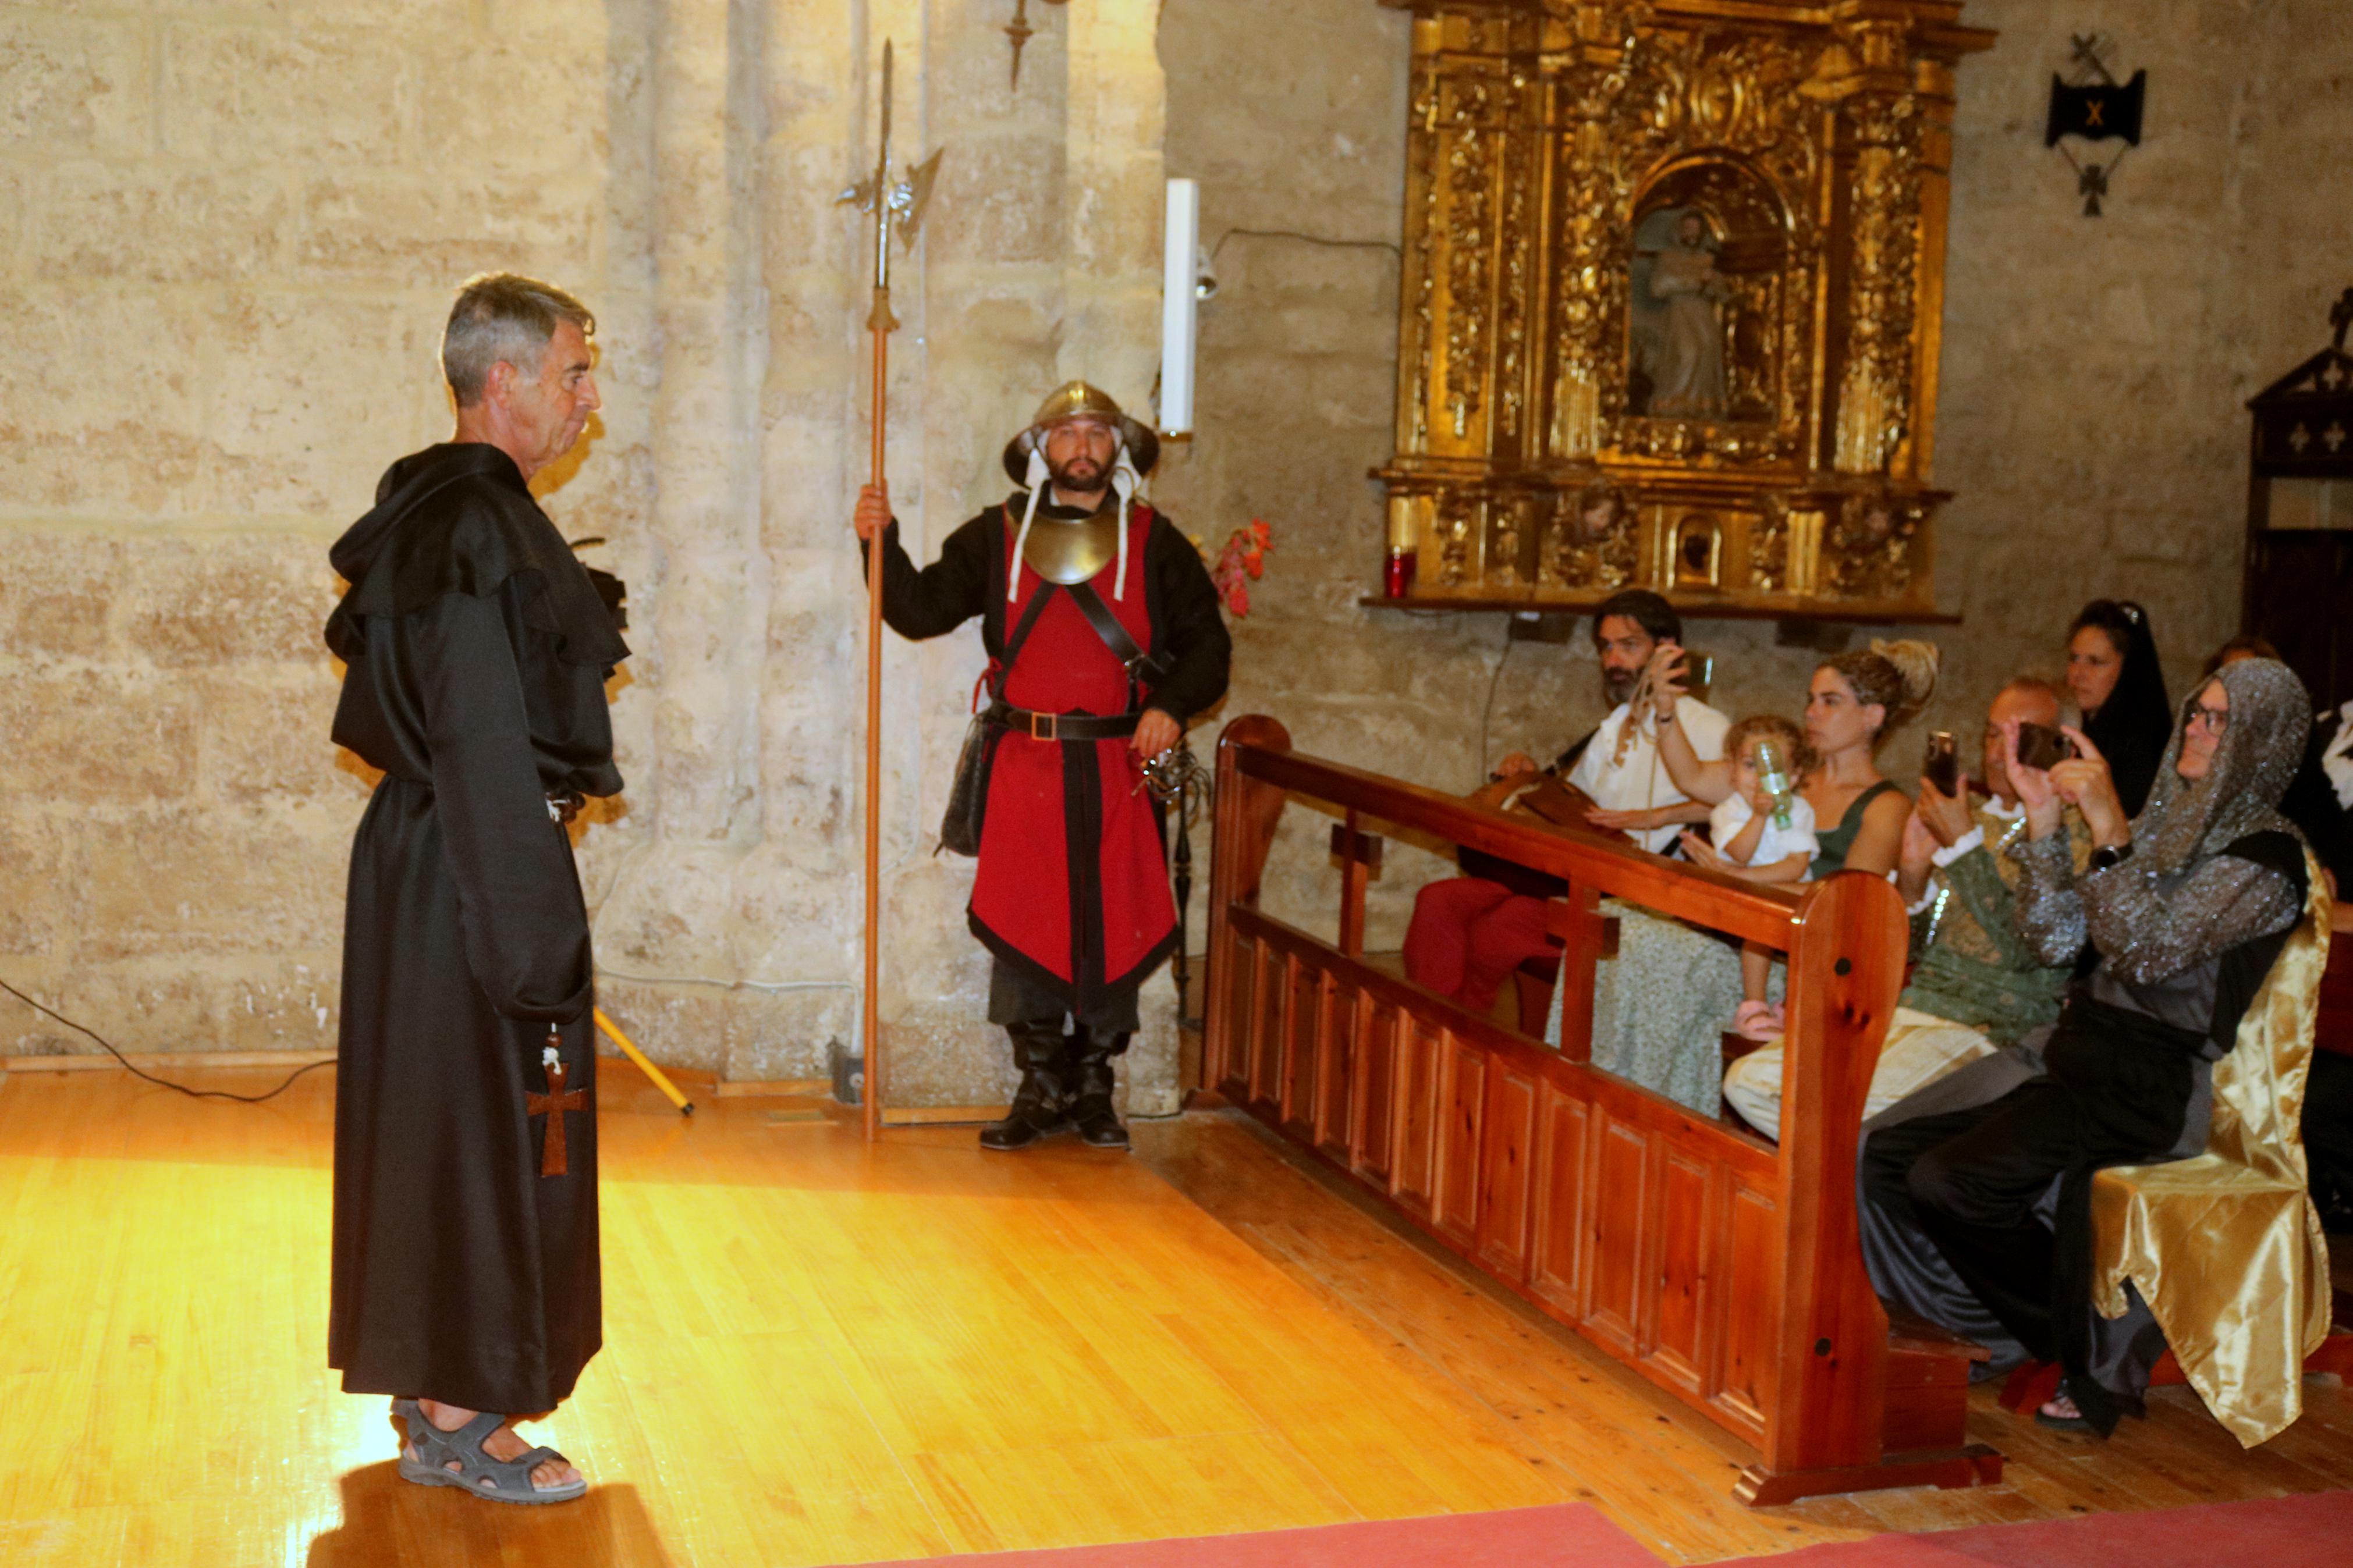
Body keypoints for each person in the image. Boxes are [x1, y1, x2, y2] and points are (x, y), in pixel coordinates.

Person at [325, 274, 628, 1503]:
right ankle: (466, 1412)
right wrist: (535, 934)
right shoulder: (472, 527)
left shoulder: (436, 509)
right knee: (487, 1127)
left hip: (426, 853)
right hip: (476, 859)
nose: (587, 399)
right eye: (572, 373)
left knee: (435, 1122)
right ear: (499, 382)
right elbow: (482, 733)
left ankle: (432, 1382)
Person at [1861, 659, 2313, 1436]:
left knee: (1948, 1179)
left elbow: (2144, 954)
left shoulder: (2267, 858)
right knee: (1886, 1154)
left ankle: (2063, 1337)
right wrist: (2041, 821)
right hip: (2079, 1048)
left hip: (2152, 1076)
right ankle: (1974, 1325)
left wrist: (2106, 832)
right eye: (2195, 712)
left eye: (2218, 719)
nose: (2196, 729)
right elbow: (2055, 937)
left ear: (2264, 743)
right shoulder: (2168, 825)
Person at [853, 382, 1230, 1152]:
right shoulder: (993, 537)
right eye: (1066, 432)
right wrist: (878, 541)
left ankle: (1094, 1084)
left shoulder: (1155, 541)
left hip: (1121, 764)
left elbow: (1208, 647)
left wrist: (1170, 705)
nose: (1082, 445)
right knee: (1024, 916)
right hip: (1026, 764)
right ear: (1039, 448)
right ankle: (1039, 1084)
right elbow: (919, 610)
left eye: (1096, 432)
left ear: (1116, 448)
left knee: (1113, 924)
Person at [1548, 640, 1939, 1113]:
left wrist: (1735, 879)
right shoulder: (1783, 775)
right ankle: (1582, 1088)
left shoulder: (1884, 805)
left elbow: (1849, 900)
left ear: (1872, 717)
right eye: (1811, 699)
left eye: (1829, 702)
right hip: (1736, 925)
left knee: (1653, 949)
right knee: (1606, 921)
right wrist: (1666, 714)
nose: (1811, 713)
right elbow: (1692, 777)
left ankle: (1656, 1115)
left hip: (1789, 961)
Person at [1722, 677, 2091, 1137]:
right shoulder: (1967, 812)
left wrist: (1961, 848)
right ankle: (1848, 1189)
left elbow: (2032, 951)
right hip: (1913, 1008)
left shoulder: (2077, 835)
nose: (1999, 752)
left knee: (1814, 1103)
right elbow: (1912, 948)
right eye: (1993, 733)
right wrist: (1913, 879)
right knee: (1748, 1083)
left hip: (1992, 1031)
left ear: (2065, 748)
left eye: (2022, 737)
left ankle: (1841, 1193)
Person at [1401, 589, 1728, 1014]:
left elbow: (1741, 803)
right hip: (1564, 872)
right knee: (1438, 902)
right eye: (1606, 647)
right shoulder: (1613, 724)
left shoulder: (1705, 726)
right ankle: (1432, 1028)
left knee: (1504, 925)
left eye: (1628, 646)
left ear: (1666, 650)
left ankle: (1462, 1036)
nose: (1614, 661)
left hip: (1625, 891)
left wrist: (1657, 816)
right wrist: (1531, 777)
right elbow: (1572, 802)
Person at [2065, 599, 2171, 817]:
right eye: (2075, 659)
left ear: (2127, 672)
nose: (2078, 673)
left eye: (2095, 662)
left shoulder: (2144, 751)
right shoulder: (2066, 729)